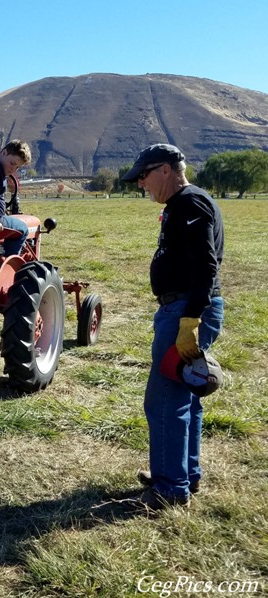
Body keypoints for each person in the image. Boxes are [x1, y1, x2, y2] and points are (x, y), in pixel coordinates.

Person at [121, 143, 224, 510]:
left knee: (164, 399)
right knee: (186, 396)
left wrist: (190, 320)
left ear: (165, 169)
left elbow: (206, 267)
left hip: (185, 310)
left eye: (144, 176)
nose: (141, 185)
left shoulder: (190, 203)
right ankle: (182, 474)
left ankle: (169, 488)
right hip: (182, 308)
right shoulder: (184, 204)